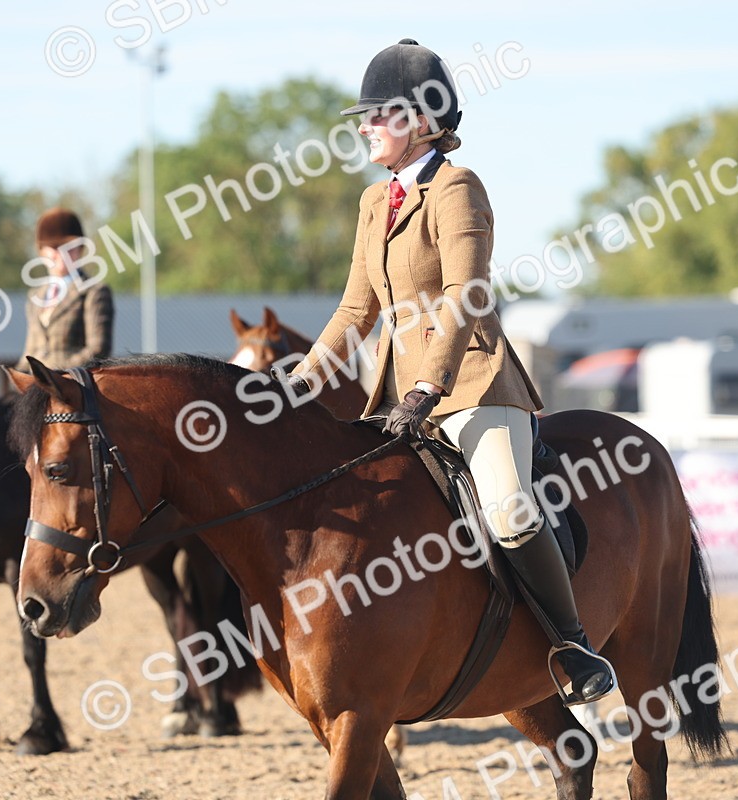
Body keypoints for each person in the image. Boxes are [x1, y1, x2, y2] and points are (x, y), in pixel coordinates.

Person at [281, 39, 614, 704]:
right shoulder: (376, 202)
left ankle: (572, 646)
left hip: (472, 386)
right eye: (365, 117)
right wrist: (291, 389)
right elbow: (355, 308)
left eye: (378, 115)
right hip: (397, 398)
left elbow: (467, 295)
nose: (364, 127)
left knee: (512, 510)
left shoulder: (456, 188)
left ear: (421, 121)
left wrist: (430, 386)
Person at [16, 207, 114, 372]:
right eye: (55, 248)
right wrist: (16, 381)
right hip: (39, 385)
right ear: (41, 251)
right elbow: (30, 351)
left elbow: (98, 350)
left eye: (69, 248)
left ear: (80, 249)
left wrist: (53, 374)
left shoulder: (94, 292)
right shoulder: (35, 296)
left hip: (74, 386)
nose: (62, 254)